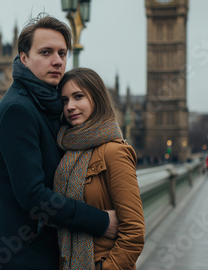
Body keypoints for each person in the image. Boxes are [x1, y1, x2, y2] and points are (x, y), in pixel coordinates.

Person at [0, 15, 117, 270]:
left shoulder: (49, 104)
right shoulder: (18, 110)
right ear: (24, 57)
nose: (57, 60)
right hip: (23, 257)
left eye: (62, 53)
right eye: (46, 52)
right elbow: (34, 197)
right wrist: (100, 221)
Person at [54, 68, 145, 269]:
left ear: (97, 99)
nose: (70, 106)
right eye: (64, 100)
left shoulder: (114, 152)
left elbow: (134, 232)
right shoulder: (66, 150)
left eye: (78, 97)